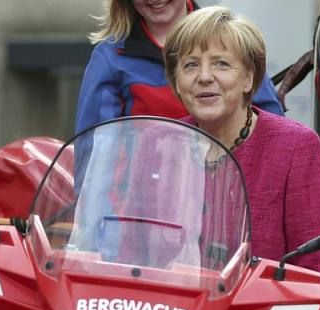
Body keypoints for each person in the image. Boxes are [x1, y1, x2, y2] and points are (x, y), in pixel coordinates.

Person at [163, 6, 320, 310]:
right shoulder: (163, 148)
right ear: (177, 80)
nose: (204, 76)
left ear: (248, 78)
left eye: (221, 64)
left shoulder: (295, 146)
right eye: (190, 64)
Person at [74, 0, 284, 184]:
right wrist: (102, 224)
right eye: (191, 65)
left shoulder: (230, 39)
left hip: (233, 195)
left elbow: (274, 130)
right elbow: (94, 158)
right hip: (152, 206)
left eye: (219, 63)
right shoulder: (111, 57)